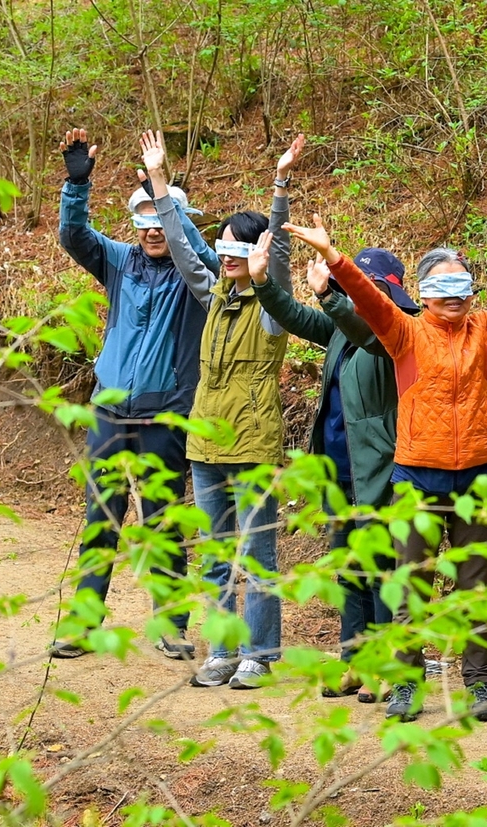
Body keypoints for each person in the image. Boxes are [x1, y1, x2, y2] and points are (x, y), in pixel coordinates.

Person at [283, 214, 487, 723]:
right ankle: (407, 684)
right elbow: (368, 300)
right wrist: (333, 257)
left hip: (477, 477)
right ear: (425, 293)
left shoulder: (486, 330)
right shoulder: (404, 333)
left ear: (473, 290)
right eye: (441, 285)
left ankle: (479, 687)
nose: (454, 296)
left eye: (462, 284)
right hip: (416, 476)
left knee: (476, 588)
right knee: (411, 586)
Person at [141, 130, 305, 690]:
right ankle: (223, 649)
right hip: (206, 444)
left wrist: (281, 182)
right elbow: (184, 245)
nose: (230, 257)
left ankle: (260, 654)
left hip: (253, 443)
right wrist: (160, 182)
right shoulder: (213, 292)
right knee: (214, 555)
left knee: (257, 552)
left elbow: (278, 259)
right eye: (227, 248)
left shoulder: (269, 306)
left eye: (242, 249)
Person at [51, 128, 219, 660]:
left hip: (167, 412)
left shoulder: (199, 274)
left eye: (160, 220)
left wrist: (164, 191)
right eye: (142, 220)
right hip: (109, 408)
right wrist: (78, 184)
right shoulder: (120, 260)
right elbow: (74, 235)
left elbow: (197, 253)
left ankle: (171, 626)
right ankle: (82, 624)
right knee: (101, 514)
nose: (151, 231)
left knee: (163, 518)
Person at [251, 246, 418, 702]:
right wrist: (264, 283)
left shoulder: (398, 330)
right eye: (354, 286)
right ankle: (353, 661)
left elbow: (368, 334)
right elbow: (300, 319)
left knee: (381, 567)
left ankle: (388, 666)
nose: (360, 295)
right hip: (337, 467)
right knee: (349, 569)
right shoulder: (344, 329)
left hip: (379, 469)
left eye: (371, 287)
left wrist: (334, 298)